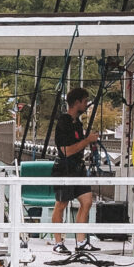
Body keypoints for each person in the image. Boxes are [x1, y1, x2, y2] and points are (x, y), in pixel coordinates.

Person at [48, 86, 99, 248]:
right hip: (65, 168)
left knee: (87, 201)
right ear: (77, 102)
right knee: (61, 204)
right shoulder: (63, 123)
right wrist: (87, 140)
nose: (86, 105)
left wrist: (89, 143)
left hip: (78, 168)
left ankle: (81, 240)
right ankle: (58, 242)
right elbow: (66, 151)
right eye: (85, 101)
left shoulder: (77, 124)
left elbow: (78, 146)